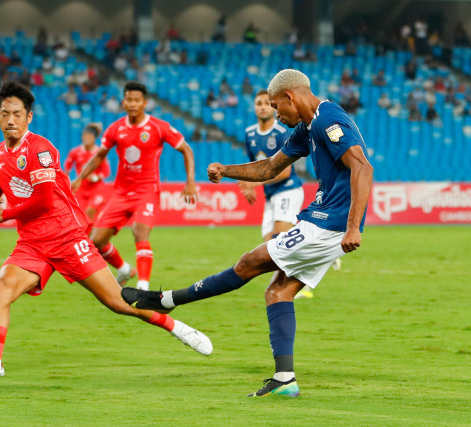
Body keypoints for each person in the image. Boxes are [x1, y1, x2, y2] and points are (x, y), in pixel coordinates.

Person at [121, 69, 373, 397]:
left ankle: (167, 300)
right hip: (324, 219)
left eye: (276, 106)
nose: (277, 115)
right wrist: (227, 170)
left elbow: (362, 166)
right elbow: (269, 167)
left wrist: (352, 227)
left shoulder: (328, 119)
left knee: (249, 262)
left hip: (330, 222)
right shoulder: (306, 127)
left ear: (289, 97)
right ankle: (285, 379)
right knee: (277, 292)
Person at [0, 81, 212, 378]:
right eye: (5, 114)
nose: (11, 120)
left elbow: (43, 200)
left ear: (29, 117)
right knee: (2, 287)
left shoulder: (40, 149)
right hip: (32, 243)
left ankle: (176, 327)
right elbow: (2, 177)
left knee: (118, 303)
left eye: (17, 114)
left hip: (66, 236)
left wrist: (4, 213)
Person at [71, 81, 197, 291]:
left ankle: (143, 287)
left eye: (137, 100)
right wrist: (80, 178)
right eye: (129, 100)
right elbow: (99, 156)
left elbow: (187, 150)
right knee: (96, 243)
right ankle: (124, 269)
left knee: (140, 232)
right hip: (121, 193)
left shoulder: (158, 127)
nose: (132, 104)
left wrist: (190, 182)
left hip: (147, 191)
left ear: (145, 103)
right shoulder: (116, 128)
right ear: (123, 102)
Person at [239, 89, 311, 299]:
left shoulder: (281, 133)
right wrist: (248, 185)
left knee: (279, 241)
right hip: (271, 196)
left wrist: (254, 184)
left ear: (272, 107)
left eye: (265, 103)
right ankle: (310, 251)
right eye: (258, 103)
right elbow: (255, 166)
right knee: (270, 244)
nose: (262, 107)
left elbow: (285, 171)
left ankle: (286, 288)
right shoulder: (249, 134)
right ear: (254, 107)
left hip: (288, 189)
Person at [64, 123, 111, 221]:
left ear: (94, 138)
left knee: (90, 212)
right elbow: (67, 168)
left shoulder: (99, 153)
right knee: (80, 216)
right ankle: (88, 231)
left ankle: (92, 231)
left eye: (89, 136)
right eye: (85, 135)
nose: (87, 138)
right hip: (81, 188)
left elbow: (106, 171)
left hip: (96, 188)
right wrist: (67, 180)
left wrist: (96, 177)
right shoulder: (75, 152)